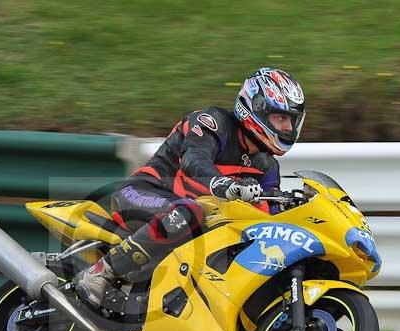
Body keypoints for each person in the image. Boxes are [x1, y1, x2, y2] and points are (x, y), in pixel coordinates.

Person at [75, 67, 306, 307]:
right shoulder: (212, 123)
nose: (288, 127)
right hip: (143, 193)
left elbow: (272, 212)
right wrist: (226, 185)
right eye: (281, 118)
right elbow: (194, 162)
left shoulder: (268, 166)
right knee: (188, 212)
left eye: (292, 119)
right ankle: (101, 272)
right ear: (256, 107)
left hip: (197, 224)